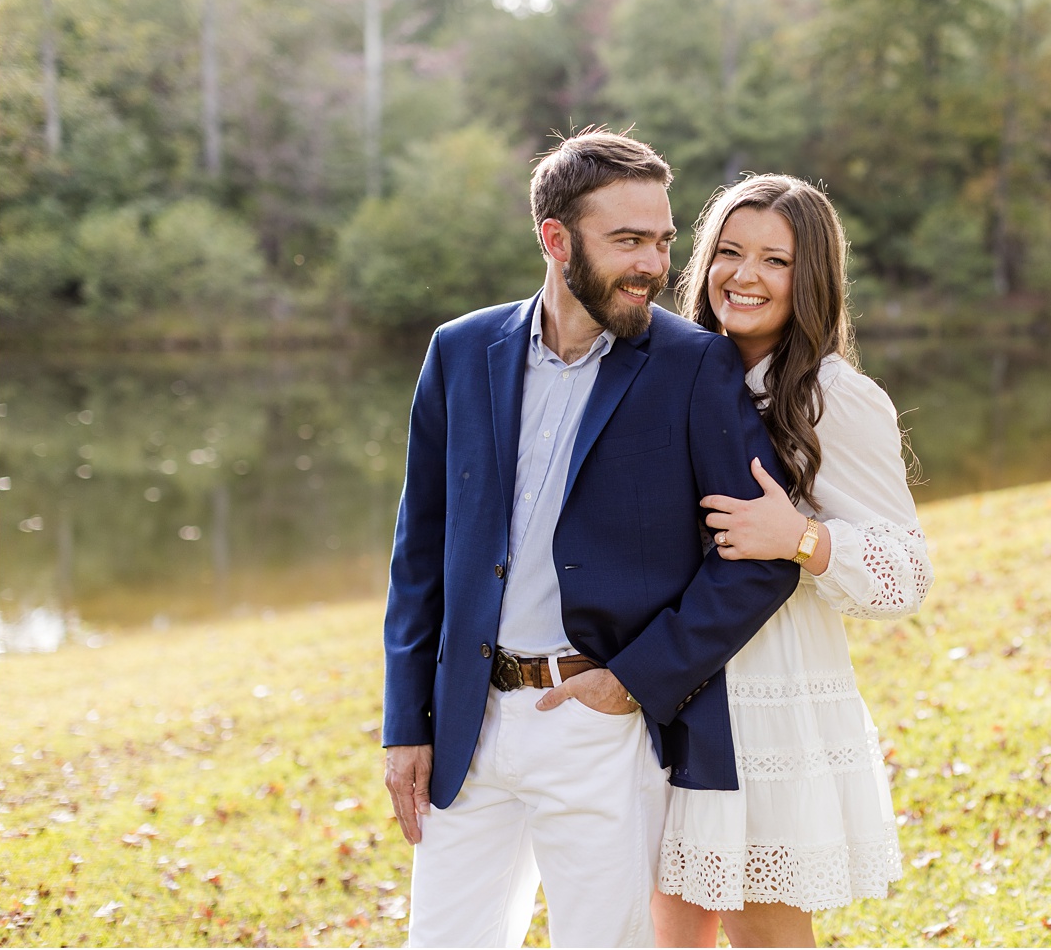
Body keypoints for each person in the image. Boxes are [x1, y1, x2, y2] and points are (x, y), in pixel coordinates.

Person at [380, 129, 802, 948]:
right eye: (628, 241)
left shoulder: (694, 366)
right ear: (555, 239)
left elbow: (757, 561)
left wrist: (634, 681)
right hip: (468, 725)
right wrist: (408, 722)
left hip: (598, 724)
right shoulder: (461, 351)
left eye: (663, 240)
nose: (653, 263)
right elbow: (419, 552)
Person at [653, 175, 933, 947]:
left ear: (809, 279)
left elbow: (908, 574)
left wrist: (801, 538)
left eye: (774, 260)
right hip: (669, 694)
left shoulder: (832, 398)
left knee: (764, 933)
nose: (744, 276)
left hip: (767, 707)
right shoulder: (668, 377)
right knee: (663, 930)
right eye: (730, 252)